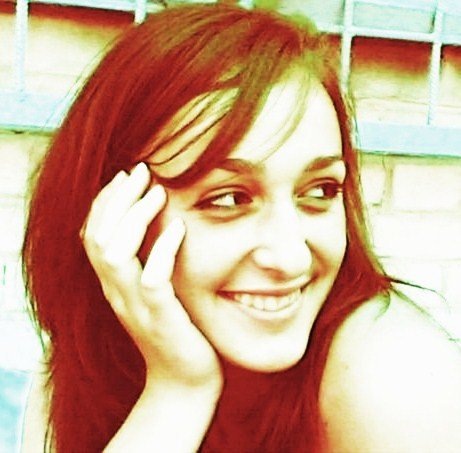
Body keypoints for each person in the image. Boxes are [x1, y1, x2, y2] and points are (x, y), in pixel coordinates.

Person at [21, 3, 461, 452]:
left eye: (320, 191)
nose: (291, 258)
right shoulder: (79, 373)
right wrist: (177, 392)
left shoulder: (394, 378)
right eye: (229, 199)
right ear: (117, 213)